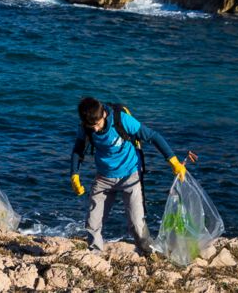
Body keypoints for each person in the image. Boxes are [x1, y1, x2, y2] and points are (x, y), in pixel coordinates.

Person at [69, 97, 187, 255]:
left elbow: (153, 136)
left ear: (103, 114)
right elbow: (78, 149)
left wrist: (173, 161)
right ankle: (94, 256)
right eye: (92, 126)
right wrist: (74, 175)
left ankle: (148, 254)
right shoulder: (86, 127)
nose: (95, 129)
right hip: (104, 178)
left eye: (97, 124)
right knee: (92, 222)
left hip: (130, 175)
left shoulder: (122, 120)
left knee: (137, 224)